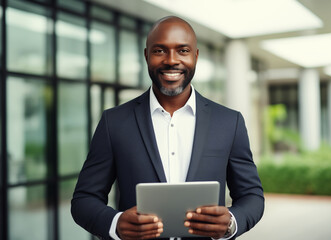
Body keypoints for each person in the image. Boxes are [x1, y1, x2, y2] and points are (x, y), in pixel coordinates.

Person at [71, 16, 264, 240]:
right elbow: (83, 199)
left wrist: (231, 222)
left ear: (196, 56)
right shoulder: (114, 122)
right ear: (146, 56)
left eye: (182, 50)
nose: (171, 60)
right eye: (160, 51)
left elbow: (252, 196)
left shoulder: (230, 122)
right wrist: (116, 223)